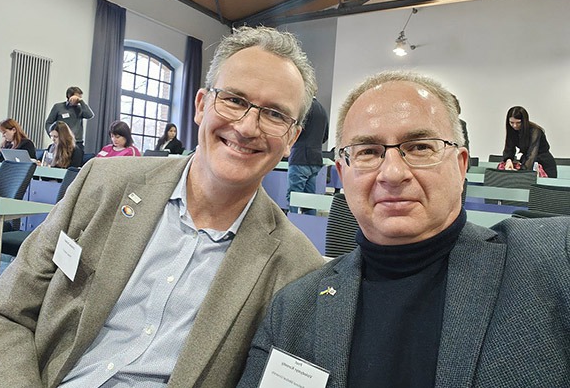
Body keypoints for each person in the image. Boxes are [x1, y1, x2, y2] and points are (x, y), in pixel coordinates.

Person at [0, 26, 324, 387]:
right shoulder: (102, 184)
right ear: (201, 105)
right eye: (234, 100)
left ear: (292, 138)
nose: (247, 127)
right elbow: (3, 313)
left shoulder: (296, 268)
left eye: (275, 114)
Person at [237, 71, 570, 388]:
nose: (393, 173)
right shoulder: (294, 309)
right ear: (342, 172)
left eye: (420, 147)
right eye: (368, 152)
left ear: (460, 166)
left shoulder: (553, 258)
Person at [286, 96, 329, 214]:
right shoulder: (322, 110)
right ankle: (310, 223)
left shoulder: (304, 108)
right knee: (310, 201)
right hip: (316, 159)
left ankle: (291, 223)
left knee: (293, 197)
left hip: (300, 157)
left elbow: (294, 131)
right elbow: (325, 136)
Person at [503, 105, 557, 177]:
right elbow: (509, 148)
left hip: (544, 165)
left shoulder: (535, 131)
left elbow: (532, 155)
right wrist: (508, 160)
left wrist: (522, 172)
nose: (515, 125)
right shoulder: (512, 130)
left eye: (518, 122)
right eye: (511, 122)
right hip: (529, 163)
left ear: (524, 121)